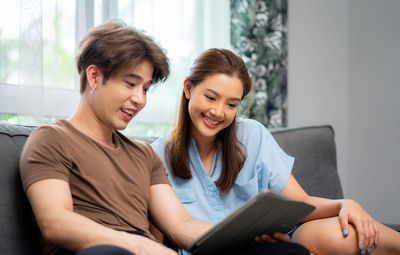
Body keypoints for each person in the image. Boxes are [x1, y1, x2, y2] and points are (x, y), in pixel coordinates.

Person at [19, 21, 309, 255]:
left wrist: (245, 239)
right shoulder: (50, 140)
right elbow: (55, 223)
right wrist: (139, 245)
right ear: (94, 77)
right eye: (131, 84)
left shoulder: (144, 155)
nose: (139, 99)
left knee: (283, 251)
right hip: (101, 251)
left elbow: (180, 225)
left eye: (145, 89)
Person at [151, 48, 400, 255]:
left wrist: (344, 204)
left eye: (231, 104)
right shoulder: (156, 156)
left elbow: (300, 202)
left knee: (347, 231)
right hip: (215, 252)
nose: (218, 112)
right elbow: (174, 229)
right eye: (210, 97)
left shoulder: (252, 135)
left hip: (272, 242)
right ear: (187, 89)